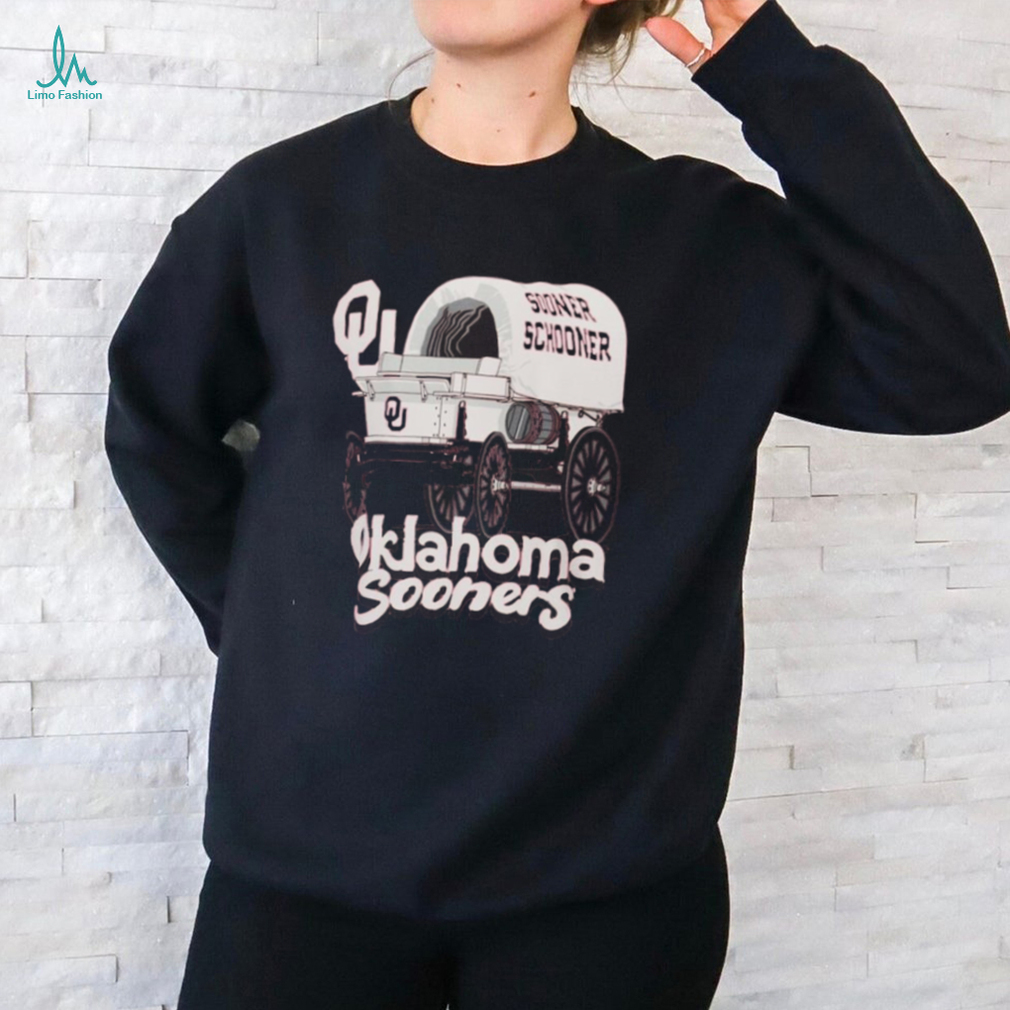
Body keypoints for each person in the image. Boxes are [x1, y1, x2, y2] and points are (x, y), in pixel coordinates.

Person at [103, 1, 1010, 1007]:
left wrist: (777, 77)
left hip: (606, 891)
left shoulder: (706, 241)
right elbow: (158, 430)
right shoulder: (276, 209)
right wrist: (272, 631)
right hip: (301, 878)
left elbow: (954, 362)